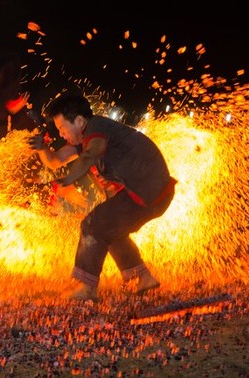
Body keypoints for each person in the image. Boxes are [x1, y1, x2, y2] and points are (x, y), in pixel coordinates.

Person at [29, 94, 177, 300]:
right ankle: (143, 278)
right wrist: (42, 149)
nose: (61, 134)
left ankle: (87, 288)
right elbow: (55, 161)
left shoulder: (97, 128)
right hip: (152, 193)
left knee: (93, 224)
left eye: (62, 129)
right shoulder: (82, 140)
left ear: (80, 121)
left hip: (146, 188)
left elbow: (91, 154)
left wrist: (69, 179)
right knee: (110, 231)